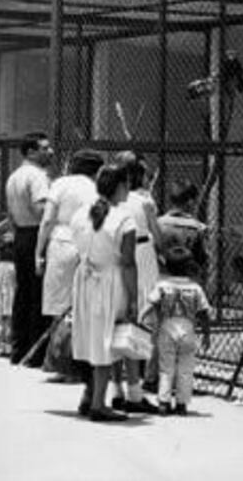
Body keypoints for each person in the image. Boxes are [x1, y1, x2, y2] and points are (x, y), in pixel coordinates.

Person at [70, 165, 138, 422]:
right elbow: (129, 263)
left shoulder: (79, 214)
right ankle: (98, 404)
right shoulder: (124, 219)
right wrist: (134, 297)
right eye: (126, 184)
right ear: (119, 186)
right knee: (106, 342)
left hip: (85, 279)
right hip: (110, 281)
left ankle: (90, 396)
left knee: (91, 339)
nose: (128, 190)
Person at [34, 149, 103, 378]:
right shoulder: (97, 187)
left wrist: (39, 251)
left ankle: (60, 364)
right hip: (90, 242)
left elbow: (47, 220)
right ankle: (84, 364)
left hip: (62, 240)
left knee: (60, 306)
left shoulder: (61, 184)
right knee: (85, 306)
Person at [109, 151, 161, 412]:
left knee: (119, 322)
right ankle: (136, 390)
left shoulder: (108, 200)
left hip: (115, 256)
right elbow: (158, 236)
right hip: (142, 255)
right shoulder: (143, 200)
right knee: (141, 317)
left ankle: (117, 388)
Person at [4, 131, 54, 365]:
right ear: (31, 151)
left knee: (23, 293)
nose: (50, 152)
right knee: (38, 294)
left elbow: (11, 213)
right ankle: (36, 353)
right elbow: (41, 210)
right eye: (44, 148)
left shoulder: (14, 177)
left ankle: (18, 348)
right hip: (36, 234)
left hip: (21, 235)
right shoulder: (37, 177)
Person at [140, 257, 212, 416]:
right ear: (188, 268)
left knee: (166, 368)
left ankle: (164, 403)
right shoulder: (196, 288)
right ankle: (181, 404)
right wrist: (207, 335)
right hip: (188, 329)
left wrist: (141, 317)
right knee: (186, 368)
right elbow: (204, 312)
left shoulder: (162, 286)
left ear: (167, 267)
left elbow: (150, 304)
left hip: (167, 328)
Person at [157, 180, 209, 285]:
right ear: (190, 202)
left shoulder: (158, 224)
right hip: (189, 282)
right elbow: (202, 258)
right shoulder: (197, 228)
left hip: (162, 280)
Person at [0, 236, 16, 358]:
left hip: (1, 296)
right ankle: (10, 348)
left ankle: (3, 348)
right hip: (11, 296)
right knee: (11, 324)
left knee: (3, 323)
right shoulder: (14, 267)